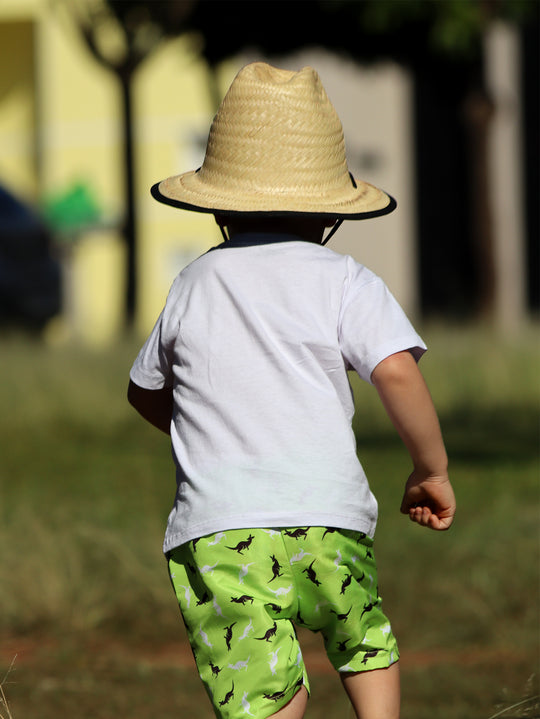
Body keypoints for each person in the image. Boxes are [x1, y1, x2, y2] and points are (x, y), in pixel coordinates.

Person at [128, 62, 456, 719]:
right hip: (328, 516)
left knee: (260, 688)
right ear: (331, 211)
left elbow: (145, 390)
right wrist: (432, 467)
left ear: (216, 202)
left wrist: (213, 431)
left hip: (219, 529)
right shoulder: (344, 278)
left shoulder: (194, 282)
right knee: (364, 640)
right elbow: (395, 370)